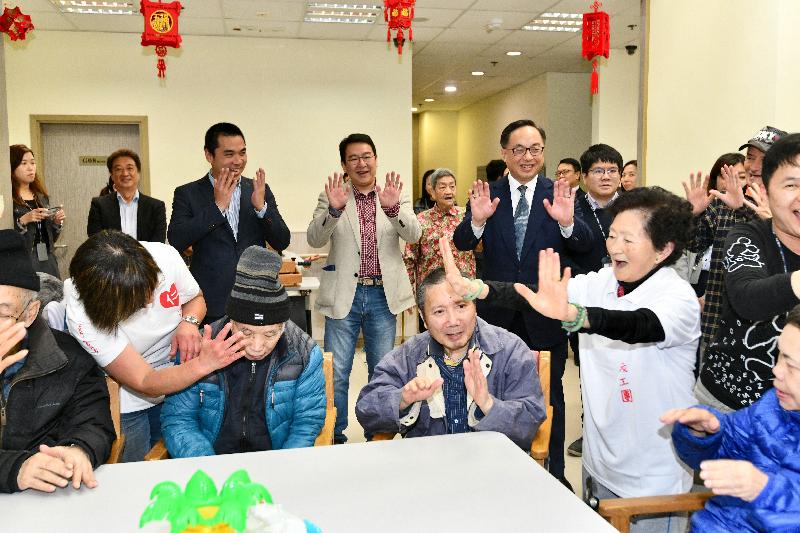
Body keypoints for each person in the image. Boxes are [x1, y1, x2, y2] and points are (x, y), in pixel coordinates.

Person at [447, 186, 699, 531]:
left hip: (652, 476)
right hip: (599, 464)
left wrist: (580, 316)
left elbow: (640, 325)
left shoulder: (676, 297)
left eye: (629, 240)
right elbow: (537, 297)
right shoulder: (604, 280)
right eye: (612, 236)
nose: (614, 248)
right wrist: (478, 288)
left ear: (663, 249)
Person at [452, 119, 594, 488]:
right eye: (519, 149)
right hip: (497, 315)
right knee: (491, 394)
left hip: (544, 315)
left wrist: (566, 225)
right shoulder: (488, 192)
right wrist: (478, 222)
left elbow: (587, 245)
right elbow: (462, 240)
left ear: (543, 153)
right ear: (504, 153)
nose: (527, 157)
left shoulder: (559, 191)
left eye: (535, 149)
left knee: (550, 398)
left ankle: (556, 475)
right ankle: (497, 472)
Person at [64, 231, 247, 461]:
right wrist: (204, 364)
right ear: (109, 304)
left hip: (179, 376)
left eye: (152, 288)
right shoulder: (84, 314)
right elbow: (145, 381)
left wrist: (188, 323)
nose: (151, 301)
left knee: (176, 454)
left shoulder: (164, 256)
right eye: (139, 300)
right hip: (131, 392)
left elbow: (195, 299)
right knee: (136, 467)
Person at [307, 133, 421, 443]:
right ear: (344, 164)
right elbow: (314, 240)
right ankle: (336, 435)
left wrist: (395, 210)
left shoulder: (394, 193)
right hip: (345, 293)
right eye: (354, 158)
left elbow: (414, 234)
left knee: (382, 372)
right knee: (338, 372)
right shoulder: (332, 195)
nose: (362, 163)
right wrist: (332, 211)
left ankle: (378, 432)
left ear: (376, 159)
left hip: (383, 295)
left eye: (367, 156)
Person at [161, 246, 326, 457]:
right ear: (232, 322)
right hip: (211, 462)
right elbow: (179, 420)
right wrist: (206, 465)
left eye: (270, 334)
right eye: (246, 332)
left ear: (283, 325)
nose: (257, 347)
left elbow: (307, 421)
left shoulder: (304, 353)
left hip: (276, 461)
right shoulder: (198, 347)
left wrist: (286, 467)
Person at [355, 267, 544, 450]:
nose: (453, 321)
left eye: (461, 306)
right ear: (423, 317)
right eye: (439, 312)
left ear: (475, 306)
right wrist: (402, 399)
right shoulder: (408, 356)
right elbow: (366, 409)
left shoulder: (510, 350)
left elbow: (531, 420)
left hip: (493, 468)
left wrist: (488, 404)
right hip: (429, 469)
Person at [662, 304, 800, 532]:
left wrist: (764, 490)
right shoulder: (773, 405)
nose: (777, 370)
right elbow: (719, 455)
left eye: (791, 364)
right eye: (779, 355)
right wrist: (704, 433)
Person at [0, 230, 115, 493]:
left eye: (2, 313)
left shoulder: (69, 358)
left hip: (44, 503)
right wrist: (15, 468)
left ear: (30, 313)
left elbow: (93, 424)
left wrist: (77, 449)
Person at [697, 133, 800, 414]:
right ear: (764, 190)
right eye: (792, 184)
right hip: (730, 403)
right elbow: (748, 297)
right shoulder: (747, 236)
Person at [168, 122, 291, 323]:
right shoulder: (188, 193)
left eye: (242, 153)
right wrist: (217, 208)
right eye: (229, 154)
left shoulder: (258, 189)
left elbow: (282, 241)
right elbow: (176, 239)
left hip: (255, 298)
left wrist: (262, 209)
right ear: (209, 155)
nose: (238, 160)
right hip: (210, 303)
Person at [684, 126, 787, 358]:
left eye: (765, 158)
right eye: (751, 158)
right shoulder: (726, 200)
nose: (755, 166)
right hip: (716, 328)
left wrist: (749, 211)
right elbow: (695, 244)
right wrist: (693, 213)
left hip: (767, 340)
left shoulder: (789, 206)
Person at [564, 144, 623, 458]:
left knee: (624, 366)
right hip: (585, 299)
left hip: (627, 298)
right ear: (584, 176)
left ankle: (622, 427)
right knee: (589, 367)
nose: (606, 176)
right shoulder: (569, 206)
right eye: (599, 170)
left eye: (612, 170)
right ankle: (592, 430)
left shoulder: (633, 205)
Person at [404, 167, 475, 295]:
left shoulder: (467, 216)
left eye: (452, 187)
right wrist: (408, 293)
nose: (449, 191)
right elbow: (409, 258)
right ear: (433, 192)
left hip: (464, 288)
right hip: (432, 291)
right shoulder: (420, 220)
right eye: (442, 187)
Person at [87, 149, 166, 242]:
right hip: (111, 256)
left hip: (145, 256)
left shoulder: (156, 206)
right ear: (112, 175)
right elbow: (95, 240)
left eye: (130, 168)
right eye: (118, 169)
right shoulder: (99, 205)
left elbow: (158, 242)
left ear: (138, 172)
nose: (125, 173)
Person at [10, 144, 65, 278]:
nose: (30, 168)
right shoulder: (7, 198)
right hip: (22, 260)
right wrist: (23, 220)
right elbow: (6, 238)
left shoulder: (41, 196)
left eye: (33, 163)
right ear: (11, 167)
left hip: (47, 257)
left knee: (54, 295)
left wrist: (56, 223)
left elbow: (51, 237)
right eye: (24, 163)